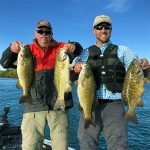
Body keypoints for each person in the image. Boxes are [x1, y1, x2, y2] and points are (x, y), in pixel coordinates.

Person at [0, 20, 83, 150]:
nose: (44, 34)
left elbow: (79, 51)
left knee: (61, 146)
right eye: (40, 31)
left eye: (47, 31)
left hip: (58, 106)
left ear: (51, 34)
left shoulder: (61, 49)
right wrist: (11, 49)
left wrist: (73, 46)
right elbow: (4, 63)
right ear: (36, 33)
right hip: (33, 105)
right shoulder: (27, 50)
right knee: (30, 146)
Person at [73, 15, 150, 150]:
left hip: (115, 105)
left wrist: (144, 63)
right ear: (94, 30)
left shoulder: (124, 51)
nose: (103, 30)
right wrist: (76, 66)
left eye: (106, 27)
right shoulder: (85, 53)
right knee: (86, 144)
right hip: (89, 103)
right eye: (99, 27)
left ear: (111, 30)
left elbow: (137, 66)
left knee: (118, 146)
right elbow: (71, 68)